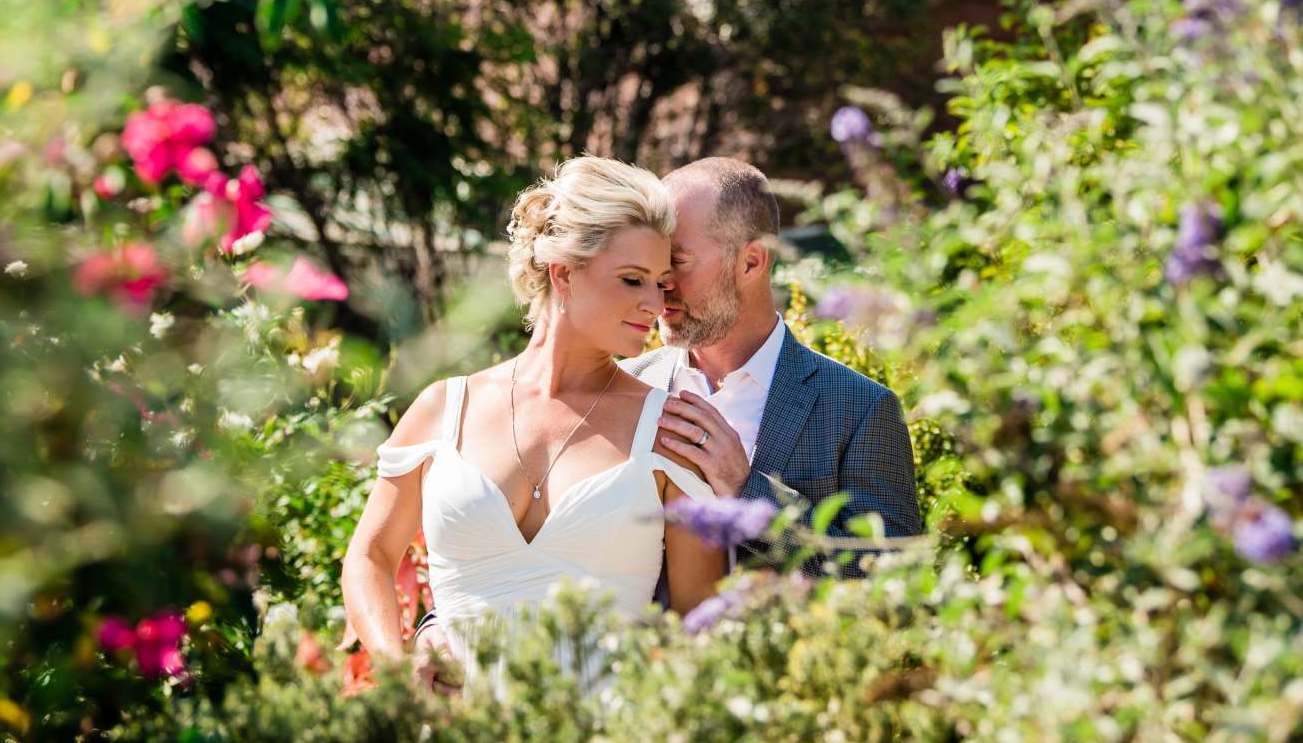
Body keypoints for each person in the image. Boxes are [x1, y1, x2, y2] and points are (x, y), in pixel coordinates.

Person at [341, 157, 724, 672]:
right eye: (633, 280)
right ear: (563, 274)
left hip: (603, 742)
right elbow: (369, 557)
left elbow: (698, 626)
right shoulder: (445, 409)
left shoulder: (668, 431)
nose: (655, 304)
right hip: (455, 732)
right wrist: (398, 665)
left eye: (660, 283)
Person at [630, 155, 923, 558]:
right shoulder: (621, 388)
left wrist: (746, 489)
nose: (660, 282)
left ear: (751, 261)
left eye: (677, 261)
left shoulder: (862, 411)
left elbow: (894, 578)